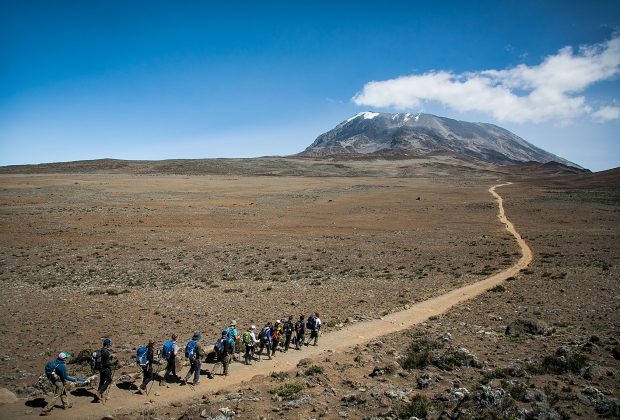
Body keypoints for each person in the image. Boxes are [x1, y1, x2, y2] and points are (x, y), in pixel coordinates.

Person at [95, 338, 115, 403]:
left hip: (101, 368)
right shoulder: (106, 352)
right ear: (107, 344)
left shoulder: (101, 350)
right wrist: (114, 363)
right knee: (109, 380)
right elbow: (107, 363)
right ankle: (99, 392)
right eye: (110, 344)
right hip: (105, 369)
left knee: (102, 381)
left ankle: (99, 396)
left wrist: (110, 357)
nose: (110, 345)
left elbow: (104, 360)